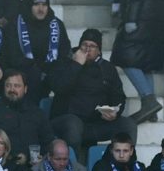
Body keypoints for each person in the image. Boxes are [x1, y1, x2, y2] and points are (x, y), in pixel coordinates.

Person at [50, 30, 135, 158]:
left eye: (92, 46)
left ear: (99, 51)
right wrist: (76, 65)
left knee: (128, 125)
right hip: (67, 121)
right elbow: (59, 88)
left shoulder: (107, 68)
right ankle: (73, 166)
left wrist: (115, 112)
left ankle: (127, 164)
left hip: (96, 123)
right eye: (84, 45)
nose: (87, 49)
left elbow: (118, 96)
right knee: (74, 124)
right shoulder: (65, 62)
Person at [4, 0, 70, 102]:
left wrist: (51, 67)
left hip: (51, 68)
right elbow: (13, 57)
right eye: (36, 5)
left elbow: (64, 52)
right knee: (34, 74)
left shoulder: (57, 25)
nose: (41, 9)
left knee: (65, 77)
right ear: (29, 6)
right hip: (25, 70)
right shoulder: (15, 25)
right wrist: (37, 66)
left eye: (44, 5)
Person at [0, 70, 54, 165]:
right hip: (2, 165)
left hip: (33, 166)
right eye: (8, 86)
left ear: (25, 89)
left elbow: (48, 142)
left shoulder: (37, 113)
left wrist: (40, 157)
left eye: (17, 86)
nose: (12, 89)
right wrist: (10, 158)